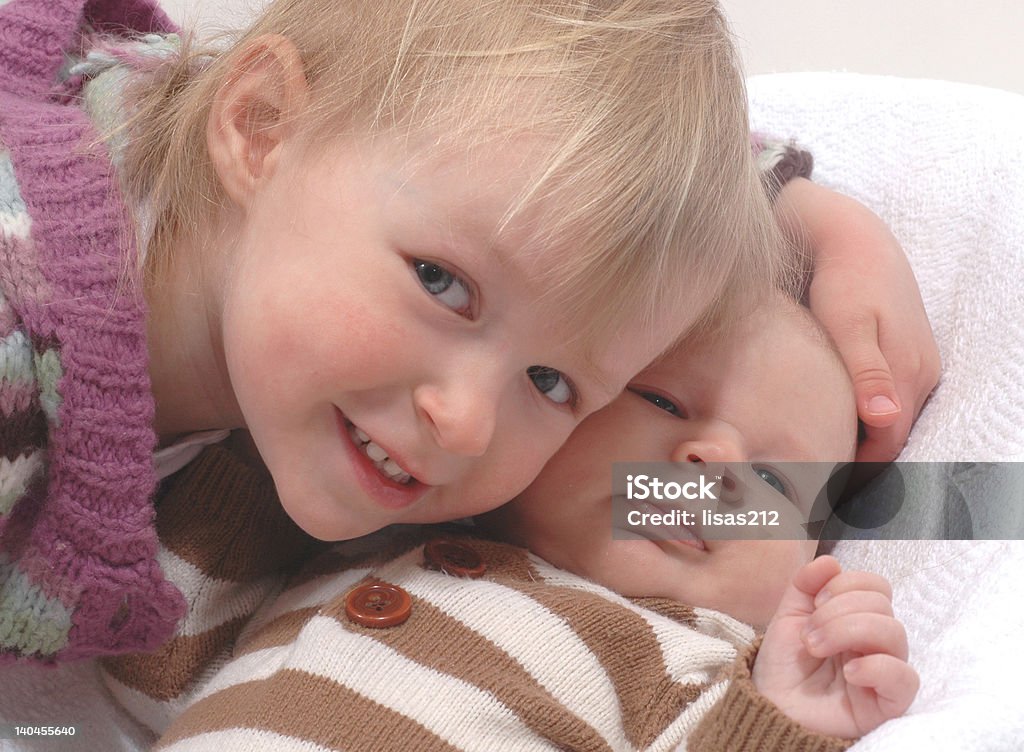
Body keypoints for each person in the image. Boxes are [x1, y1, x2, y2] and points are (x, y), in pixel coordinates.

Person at [0, 0, 936, 666]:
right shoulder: (20, 332)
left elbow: (567, 199)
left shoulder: (307, 206)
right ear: (260, 124)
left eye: (551, 382)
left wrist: (823, 221)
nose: (465, 425)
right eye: (442, 285)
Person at [139, 293, 917, 751]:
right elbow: (155, 675)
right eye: (664, 402)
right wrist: (250, 464)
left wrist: (779, 716)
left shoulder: (697, 676)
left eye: (775, 480)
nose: (712, 464)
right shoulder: (361, 541)